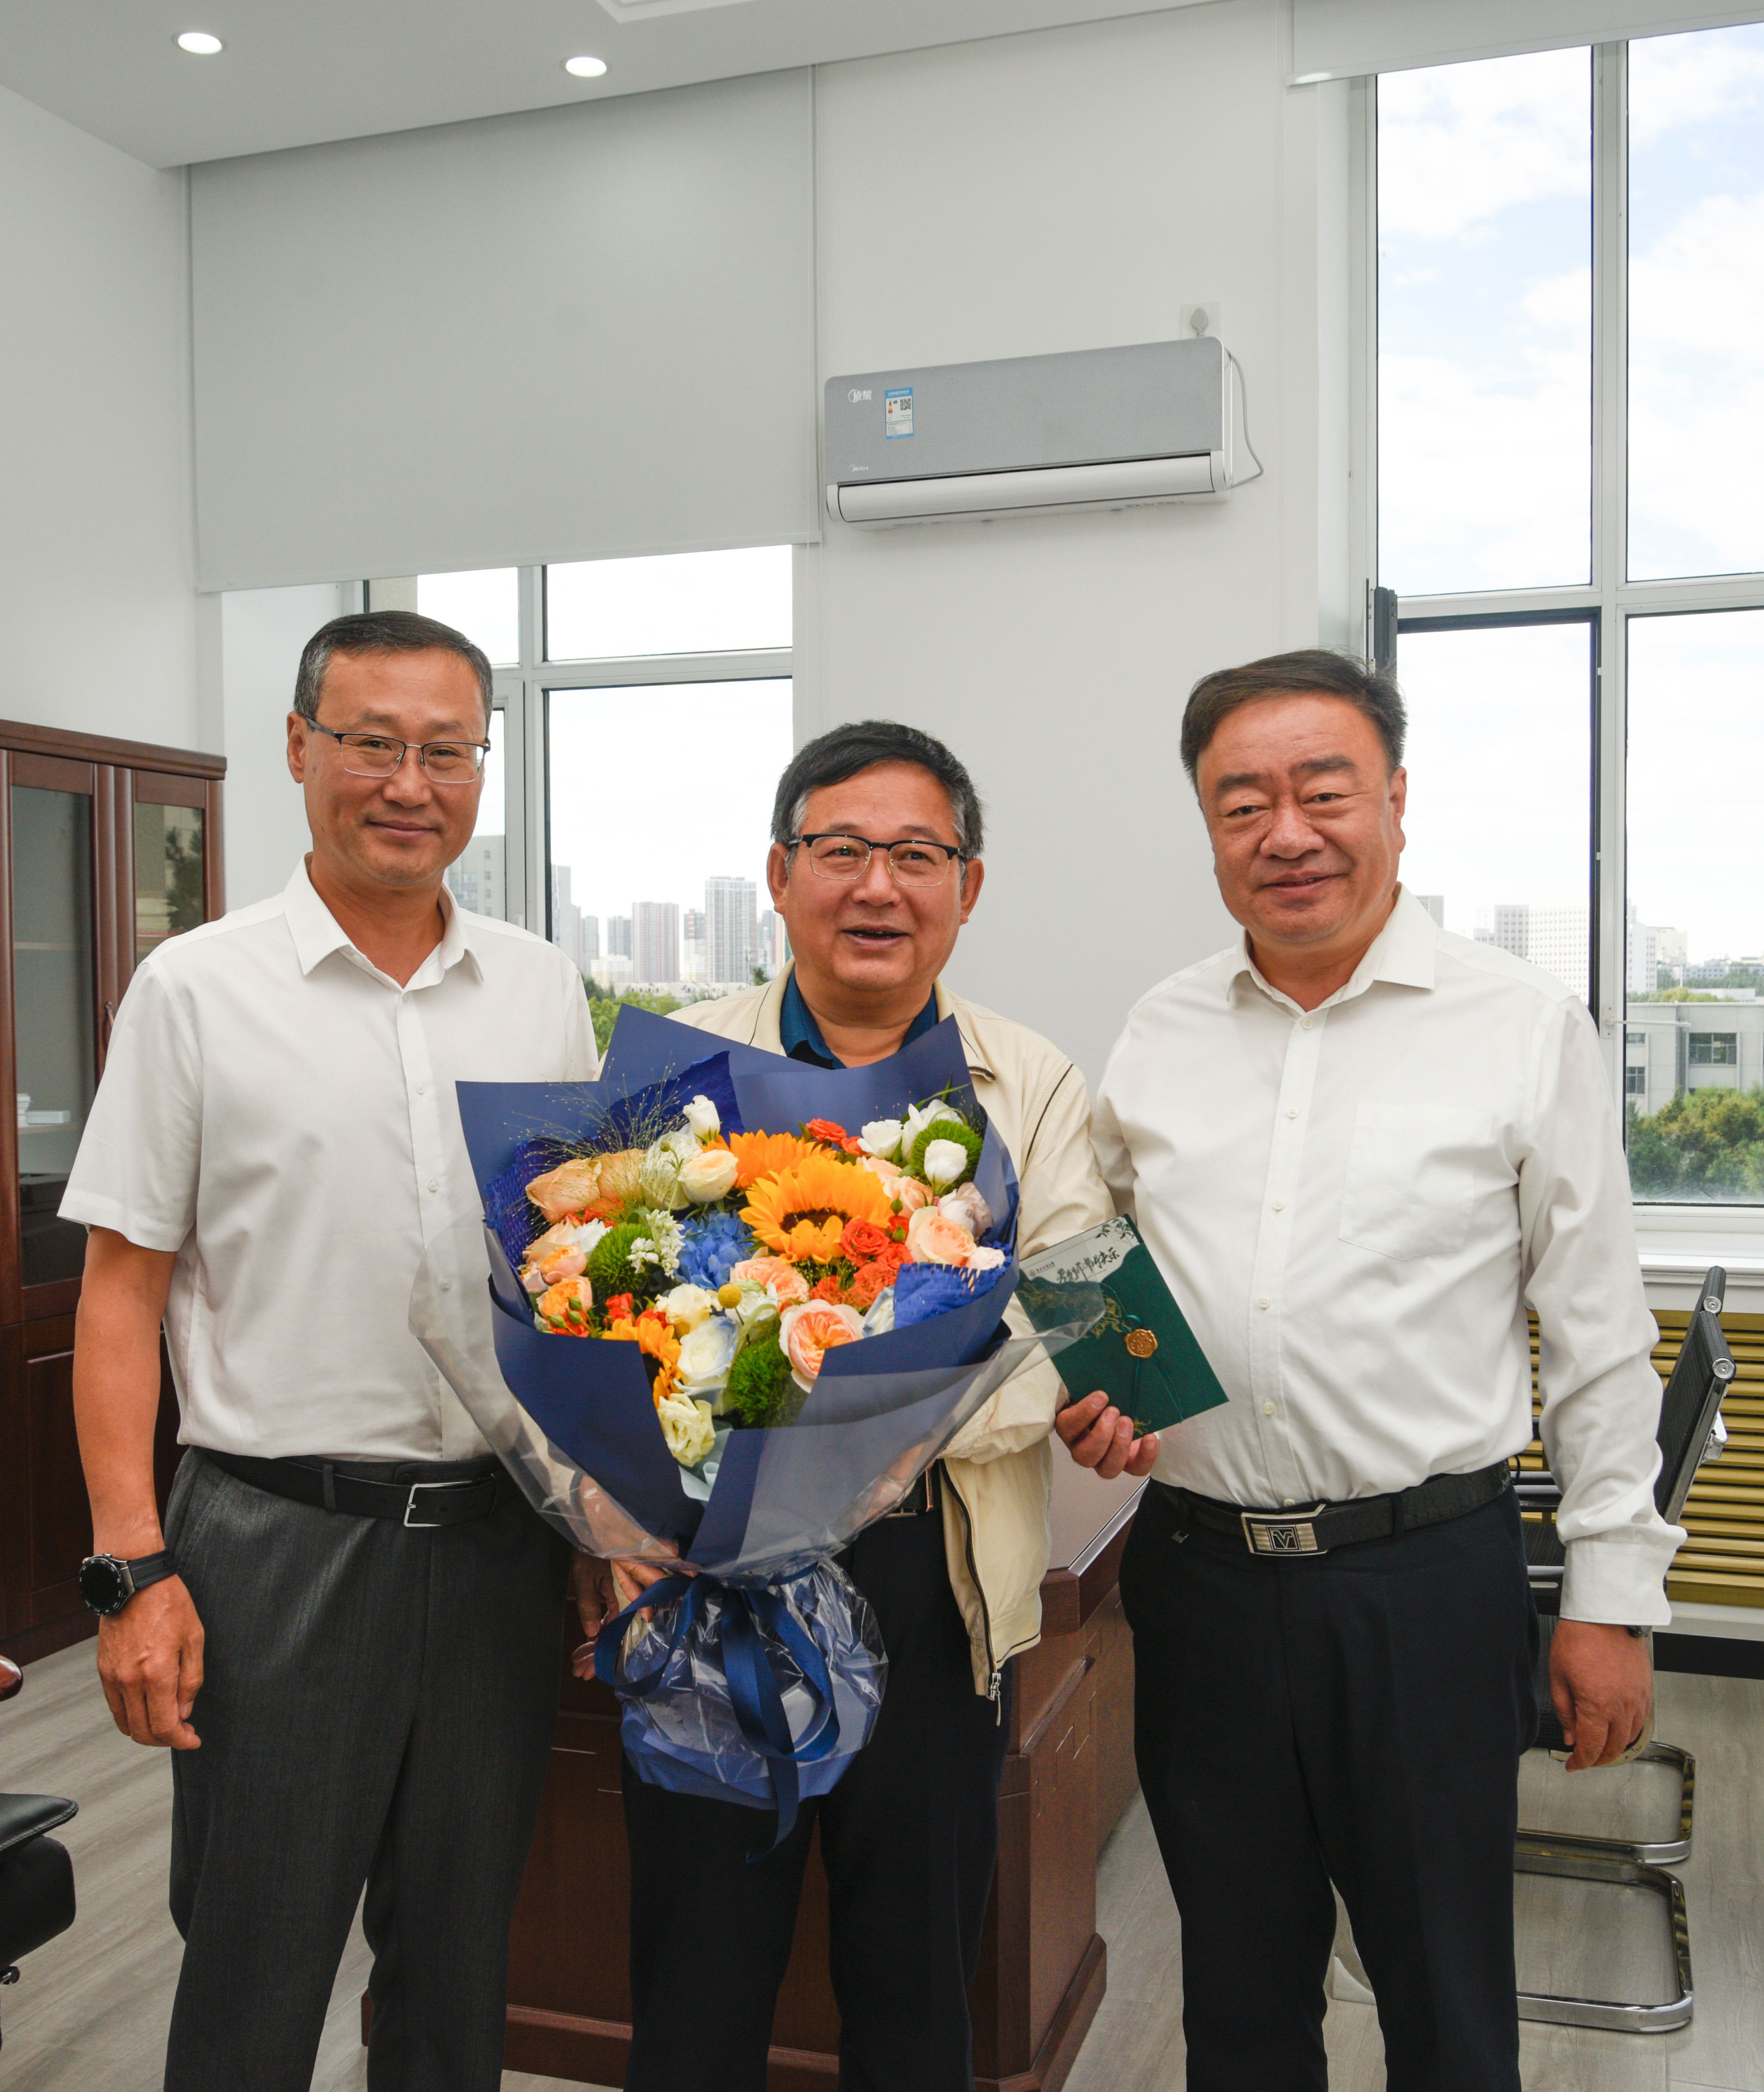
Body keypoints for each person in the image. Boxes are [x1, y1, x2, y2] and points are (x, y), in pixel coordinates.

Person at [1056, 649, 1681, 2092]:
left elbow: (1597, 1336)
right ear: (1208, 827)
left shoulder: (1518, 1023)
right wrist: (1095, 1395)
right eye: (1242, 804)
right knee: (1237, 1996)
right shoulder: (1160, 1027)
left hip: (1422, 1588)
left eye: (1322, 791)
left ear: (1394, 799)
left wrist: (1609, 1600)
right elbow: (1095, 1257)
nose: (1286, 833)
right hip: (1199, 1581)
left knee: (1444, 2000)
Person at [57, 610, 596, 2092]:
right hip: (276, 1548)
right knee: (256, 1964)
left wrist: (594, 1519)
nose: (409, 785)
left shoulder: (541, 990)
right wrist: (131, 1570)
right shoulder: (198, 989)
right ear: (299, 748)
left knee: (461, 1965)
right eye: (372, 744)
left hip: (494, 1545)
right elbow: (117, 1297)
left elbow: (568, 1281)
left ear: (481, 769)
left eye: (447, 752)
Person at [613, 720, 1113, 2092]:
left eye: (915, 854)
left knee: (914, 1975)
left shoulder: (1030, 1080)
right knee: (698, 1972)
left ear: (967, 885)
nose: (876, 886)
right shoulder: (671, 1068)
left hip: (930, 1572)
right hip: (709, 1576)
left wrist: (879, 1420)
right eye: (840, 850)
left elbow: (1071, 1319)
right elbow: (595, 1302)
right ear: (780, 875)